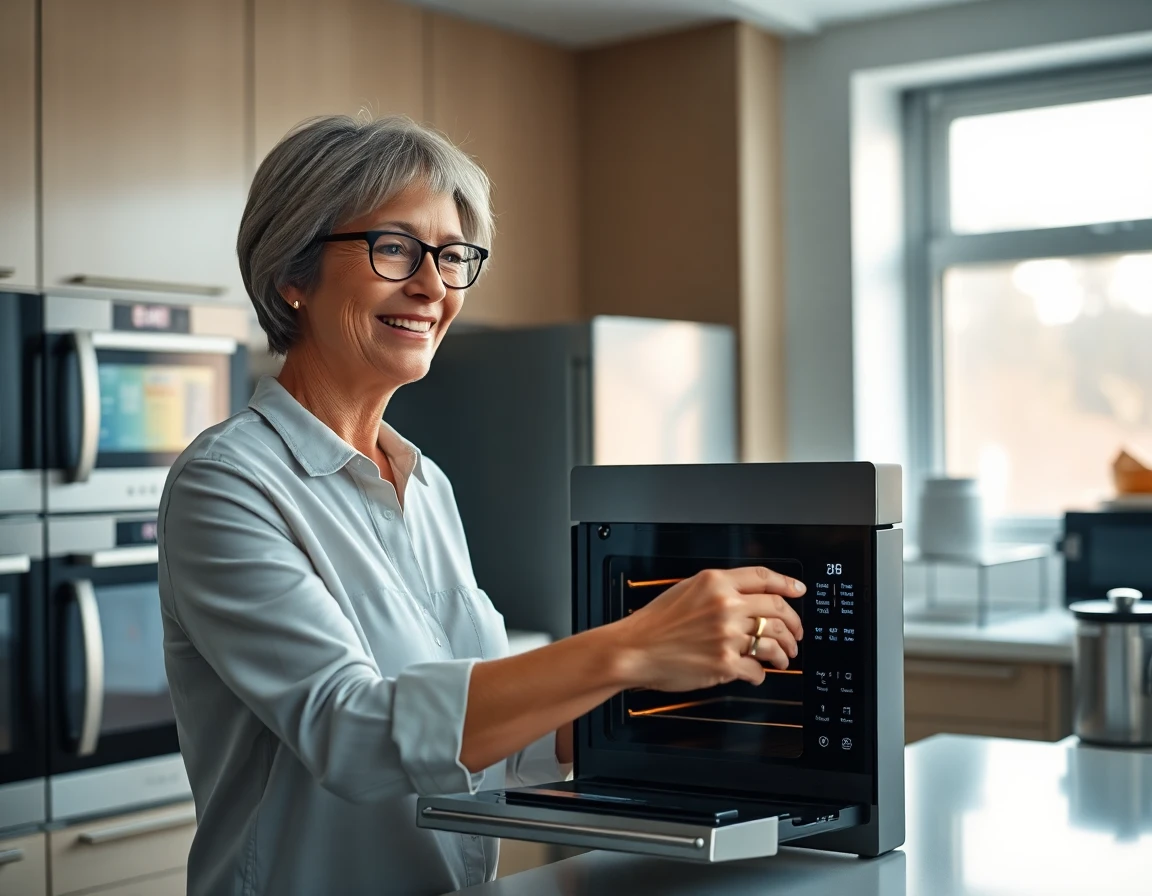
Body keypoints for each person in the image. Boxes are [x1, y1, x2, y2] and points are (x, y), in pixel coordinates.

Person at [158, 114, 805, 896]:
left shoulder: (425, 484)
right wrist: (630, 645)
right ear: (292, 275)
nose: (433, 285)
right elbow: (353, 736)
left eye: (453, 255)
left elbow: (486, 739)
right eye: (394, 247)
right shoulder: (227, 483)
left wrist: (652, 679)